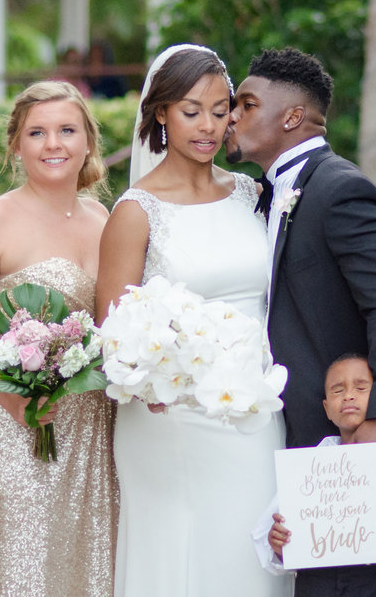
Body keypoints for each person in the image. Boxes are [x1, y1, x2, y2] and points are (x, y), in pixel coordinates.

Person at [96, 44, 289, 597]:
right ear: (160, 113)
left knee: (252, 560)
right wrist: (155, 378)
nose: (208, 126)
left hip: (254, 409)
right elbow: (114, 336)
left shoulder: (252, 193)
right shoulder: (136, 212)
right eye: (190, 110)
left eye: (221, 109)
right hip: (172, 418)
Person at [225, 47, 376, 469]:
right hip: (285, 429)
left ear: (292, 117)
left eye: (247, 105)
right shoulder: (264, 195)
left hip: (348, 432)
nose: (231, 117)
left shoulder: (341, 191)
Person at [0, 81, 118, 596]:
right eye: (37, 132)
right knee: (20, 576)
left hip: (91, 430)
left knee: (88, 575)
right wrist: (9, 393)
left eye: (67, 130)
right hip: (11, 427)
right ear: (16, 145)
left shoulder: (104, 219)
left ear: (88, 142)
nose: (53, 143)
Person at [253, 353, 376, 595]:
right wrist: (277, 543)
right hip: (314, 587)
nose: (349, 395)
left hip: (375, 586)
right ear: (327, 409)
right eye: (337, 390)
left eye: (361, 387)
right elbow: (264, 537)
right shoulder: (305, 469)